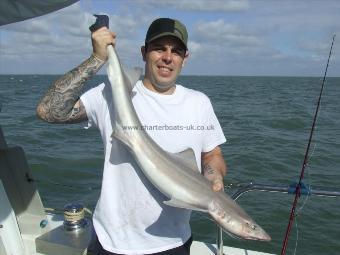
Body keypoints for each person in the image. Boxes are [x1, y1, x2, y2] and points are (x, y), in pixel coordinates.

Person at [36, 17, 227, 255]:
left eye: (176, 51)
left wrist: (214, 175)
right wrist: (97, 59)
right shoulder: (111, 94)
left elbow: (212, 154)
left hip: (173, 242)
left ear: (184, 59)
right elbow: (48, 111)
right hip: (111, 242)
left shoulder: (199, 103)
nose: (168, 57)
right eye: (159, 48)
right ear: (144, 52)